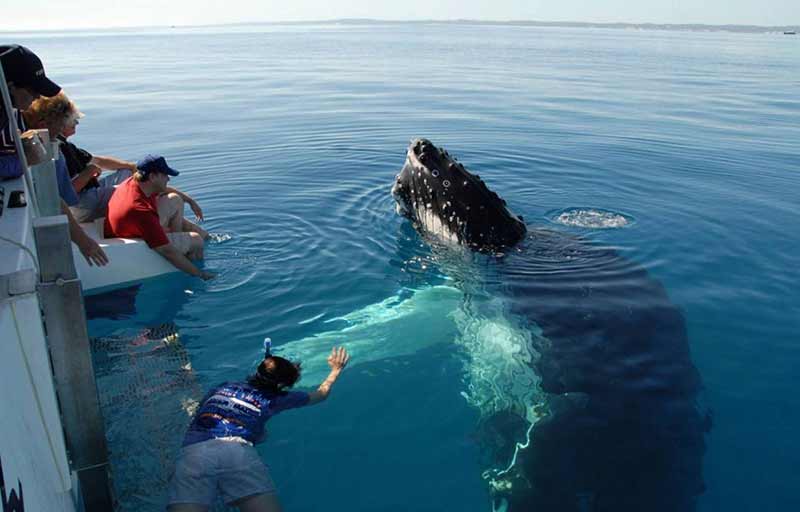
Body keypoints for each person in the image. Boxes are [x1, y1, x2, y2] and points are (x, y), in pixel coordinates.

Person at [168, 345, 350, 512]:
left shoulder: (223, 386)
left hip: (195, 452)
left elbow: (201, 412)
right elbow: (321, 394)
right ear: (281, 386)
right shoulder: (276, 399)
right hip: (237, 453)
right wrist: (335, 370)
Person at [1, 44, 108, 266]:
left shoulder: (14, 114)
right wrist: (24, 160)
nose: (38, 96)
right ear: (9, 86)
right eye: (33, 89)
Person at [25, 92, 137, 221]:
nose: (74, 123)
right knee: (136, 187)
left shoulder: (64, 145)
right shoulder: (52, 153)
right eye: (66, 121)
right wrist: (89, 172)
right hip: (79, 205)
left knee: (127, 173)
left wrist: (130, 166)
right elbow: (67, 194)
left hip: (89, 192)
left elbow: (97, 160)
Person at [104, 155, 213, 279]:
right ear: (152, 177)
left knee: (175, 200)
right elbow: (167, 251)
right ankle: (191, 268)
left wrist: (190, 201)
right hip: (132, 237)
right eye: (165, 175)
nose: (168, 178)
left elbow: (165, 189)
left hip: (134, 224)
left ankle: (181, 241)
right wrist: (200, 274)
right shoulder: (141, 210)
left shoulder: (135, 181)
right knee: (196, 240)